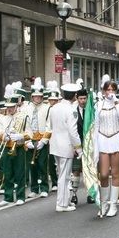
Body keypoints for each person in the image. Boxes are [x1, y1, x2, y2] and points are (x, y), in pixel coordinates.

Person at [94, 76, 119, 217]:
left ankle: (113, 204)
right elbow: (95, 125)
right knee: (103, 174)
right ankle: (103, 203)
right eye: (107, 90)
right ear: (103, 91)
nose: (110, 92)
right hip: (102, 139)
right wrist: (94, 146)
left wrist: (115, 101)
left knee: (115, 173)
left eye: (112, 89)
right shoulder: (98, 105)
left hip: (117, 138)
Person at [0, 85, 31, 206]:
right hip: (6, 147)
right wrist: (2, 136)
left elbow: (29, 133)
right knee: (7, 172)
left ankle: (21, 196)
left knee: (20, 172)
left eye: (11, 107)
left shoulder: (23, 117)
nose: (9, 109)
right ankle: (8, 196)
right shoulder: (3, 118)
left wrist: (21, 136)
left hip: (19, 147)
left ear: (16, 106)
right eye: (8, 107)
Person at [49, 82, 83, 212]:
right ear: (74, 95)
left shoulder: (54, 107)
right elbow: (73, 132)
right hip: (66, 145)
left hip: (55, 144)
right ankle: (62, 204)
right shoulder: (71, 110)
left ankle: (62, 202)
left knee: (60, 174)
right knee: (65, 176)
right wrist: (79, 148)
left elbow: (52, 126)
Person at [26, 77, 52, 198]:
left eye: (39, 96)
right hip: (31, 139)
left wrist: (44, 140)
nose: (37, 98)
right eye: (35, 96)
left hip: (42, 139)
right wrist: (27, 141)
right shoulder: (26, 108)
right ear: (32, 97)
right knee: (32, 165)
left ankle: (45, 187)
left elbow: (49, 126)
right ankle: (34, 188)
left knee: (42, 164)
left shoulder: (47, 108)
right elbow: (25, 126)